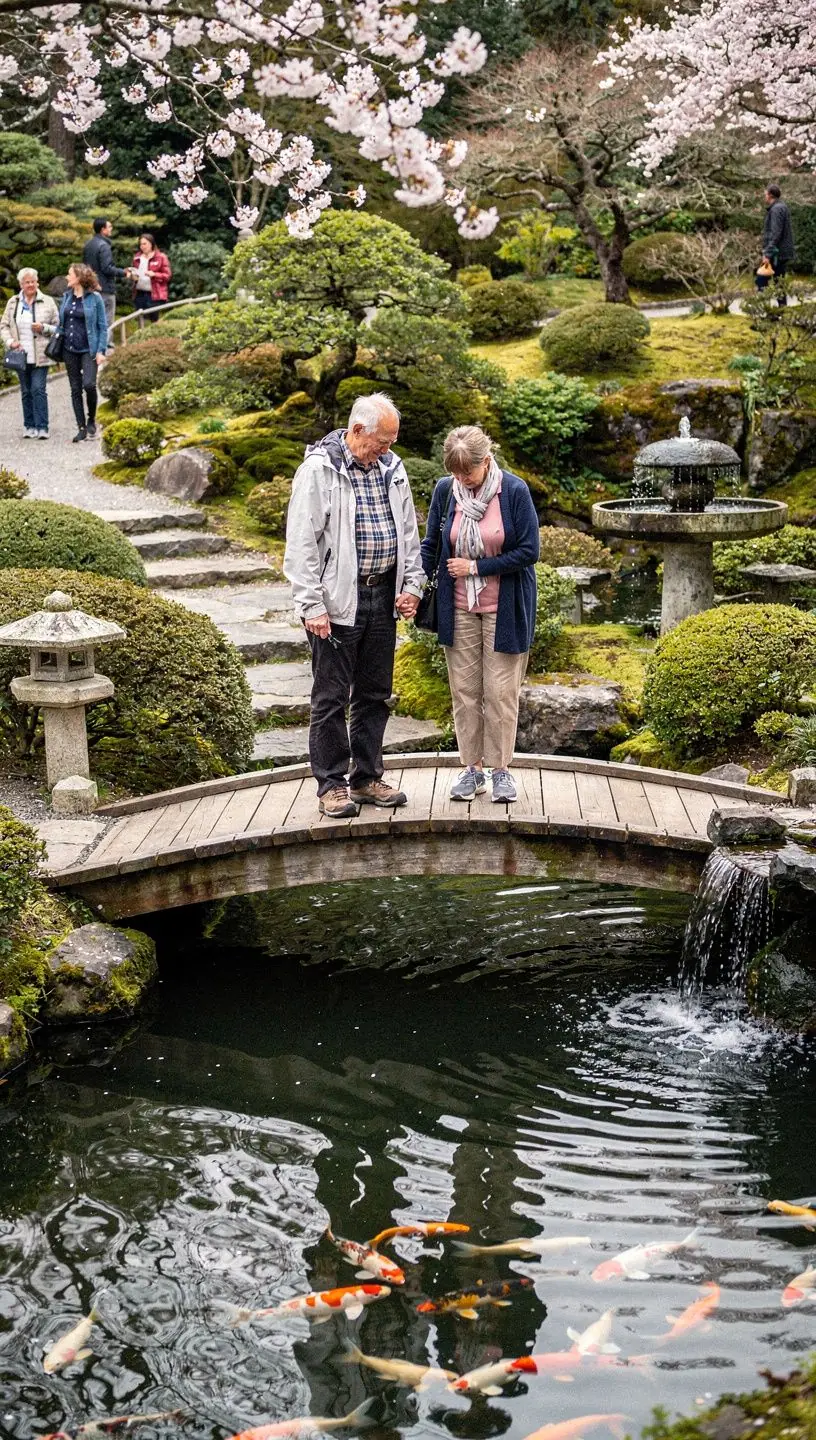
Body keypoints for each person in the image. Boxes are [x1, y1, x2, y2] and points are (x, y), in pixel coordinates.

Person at [284, 392, 424, 818]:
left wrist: (413, 585)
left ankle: (366, 779)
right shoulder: (319, 471)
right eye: (383, 440)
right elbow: (302, 544)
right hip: (337, 599)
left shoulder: (392, 469)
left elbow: (408, 532)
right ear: (357, 430)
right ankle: (331, 785)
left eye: (392, 442)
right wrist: (311, 605)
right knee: (330, 697)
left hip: (383, 596)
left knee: (375, 694)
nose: (388, 449)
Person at [422, 426, 539, 804]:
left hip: (504, 607)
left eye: (467, 473)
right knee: (466, 692)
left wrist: (475, 567)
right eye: (456, 473)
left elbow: (528, 551)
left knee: (501, 692)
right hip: (458, 608)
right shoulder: (445, 491)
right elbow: (432, 545)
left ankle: (501, 771)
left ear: (486, 462)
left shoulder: (514, 491)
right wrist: (411, 587)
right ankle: (471, 770)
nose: (462, 481)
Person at [0, 267, 59, 439]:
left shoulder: (47, 301)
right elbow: (3, 326)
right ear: (21, 284)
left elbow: (58, 327)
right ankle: (29, 425)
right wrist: (11, 342)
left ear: (37, 282)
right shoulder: (13, 302)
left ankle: (42, 427)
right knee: (26, 390)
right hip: (21, 354)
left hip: (41, 354)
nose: (31, 284)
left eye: (33, 281)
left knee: (38, 389)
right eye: (27, 282)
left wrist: (44, 328)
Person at [58, 263, 108, 443]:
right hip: (69, 349)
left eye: (69, 274)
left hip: (89, 349)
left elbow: (103, 327)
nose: (66, 277)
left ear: (79, 277)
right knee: (74, 389)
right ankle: (81, 427)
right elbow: (60, 325)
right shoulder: (65, 298)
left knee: (89, 385)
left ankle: (91, 419)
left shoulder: (95, 299)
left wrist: (101, 350)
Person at [83, 217, 129, 336]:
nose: (111, 229)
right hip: (105, 288)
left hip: (90, 287)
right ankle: (106, 349)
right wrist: (123, 272)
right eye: (109, 227)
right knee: (107, 322)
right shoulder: (104, 246)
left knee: (93, 322)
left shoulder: (88, 244)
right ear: (103, 229)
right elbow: (106, 268)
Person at [757, 184, 795, 304]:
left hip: (776, 253)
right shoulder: (781, 207)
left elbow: (776, 233)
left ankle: (763, 309)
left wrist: (767, 254)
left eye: (765, 194)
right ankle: (781, 310)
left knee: (762, 281)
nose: (765, 196)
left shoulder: (776, 209)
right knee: (779, 282)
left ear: (770, 195)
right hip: (780, 252)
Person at [130, 232, 172, 321]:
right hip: (139, 293)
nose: (142, 246)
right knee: (140, 319)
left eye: (145, 244)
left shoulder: (161, 257)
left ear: (151, 244)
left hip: (154, 294)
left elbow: (167, 276)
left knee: (154, 319)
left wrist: (155, 274)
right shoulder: (137, 257)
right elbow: (134, 272)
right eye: (141, 244)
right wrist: (132, 275)